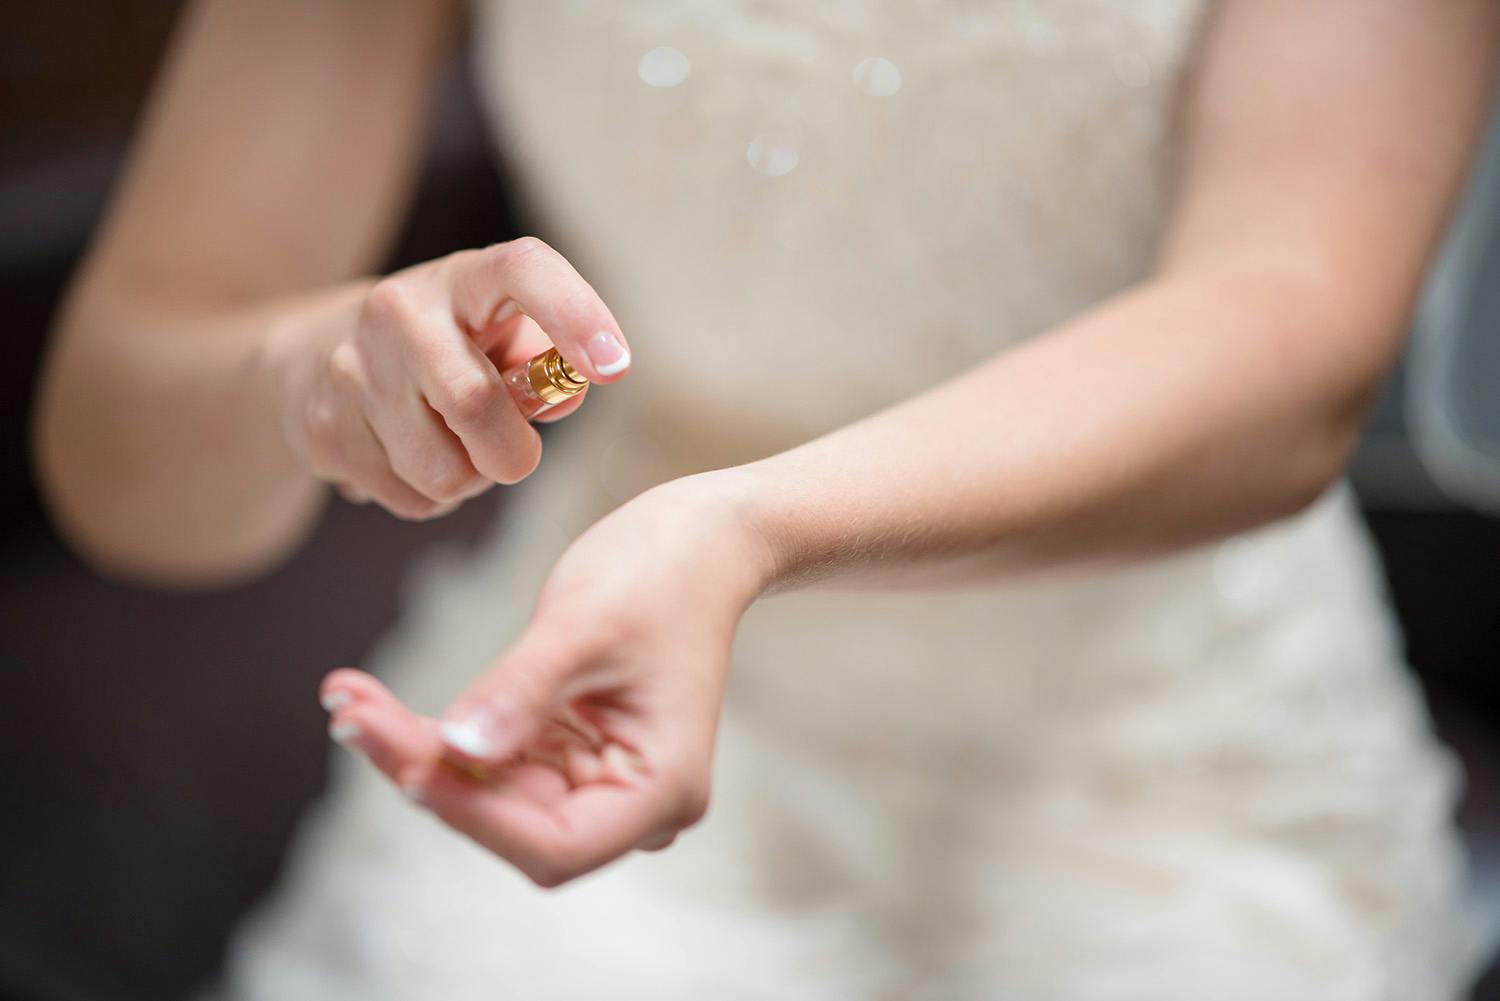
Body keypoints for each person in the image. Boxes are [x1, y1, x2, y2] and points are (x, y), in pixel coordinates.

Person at [33, 0, 1500, 996]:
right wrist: (311, 367)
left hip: (1160, 733)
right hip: (605, 667)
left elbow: (1293, 334)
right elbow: (121, 450)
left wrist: (740, 528)